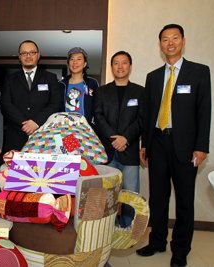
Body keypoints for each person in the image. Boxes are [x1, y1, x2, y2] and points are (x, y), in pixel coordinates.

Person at [137, 24, 211, 267]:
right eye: (165, 39)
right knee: (157, 198)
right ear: (160, 44)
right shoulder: (153, 76)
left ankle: (180, 249)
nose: (170, 43)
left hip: (185, 147)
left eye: (174, 38)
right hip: (157, 143)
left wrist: (201, 146)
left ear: (183, 41)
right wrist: (144, 144)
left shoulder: (199, 72)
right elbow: (148, 114)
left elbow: (204, 111)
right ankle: (157, 241)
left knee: (184, 201)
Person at [94, 51, 144, 227]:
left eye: (124, 63)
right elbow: (98, 117)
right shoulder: (101, 92)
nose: (120, 66)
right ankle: (109, 228)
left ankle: (128, 228)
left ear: (130, 66)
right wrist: (114, 138)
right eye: (116, 63)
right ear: (111, 66)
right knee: (107, 194)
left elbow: (141, 119)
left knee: (131, 194)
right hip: (107, 151)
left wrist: (126, 138)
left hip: (129, 152)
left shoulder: (140, 91)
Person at [1, 40, 62, 152]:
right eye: (24, 53)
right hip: (16, 134)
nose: (28, 56)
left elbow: (55, 103)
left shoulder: (50, 78)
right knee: (13, 168)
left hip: (43, 134)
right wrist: (24, 123)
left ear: (38, 55)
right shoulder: (10, 79)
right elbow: (6, 104)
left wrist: (36, 122)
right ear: (19, 57)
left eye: (32, 52)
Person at [59, 47, 99, 126]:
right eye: (72, 59)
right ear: (68, 63)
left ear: (84, 64)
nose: (75, 62)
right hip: (65, 127)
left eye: (79, 59)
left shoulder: (92, 83)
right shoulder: (61, 84)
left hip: (86, 128)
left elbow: (98, 107)